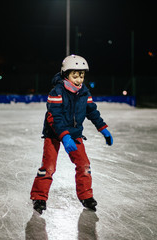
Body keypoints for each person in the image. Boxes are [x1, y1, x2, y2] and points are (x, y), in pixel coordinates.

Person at [30, 55, 113, 214]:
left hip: (74, 134)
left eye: (81, 75)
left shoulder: (84, 92)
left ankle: (86, 196)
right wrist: (64, 136)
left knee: (84, 165)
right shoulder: (57, 91)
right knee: (48, 167)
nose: (79, 79)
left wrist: (103, 129)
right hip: (54, 133)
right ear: (65, 74)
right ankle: (39, 197)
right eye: (75, 75)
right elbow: (55, 117)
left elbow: (92, 112)